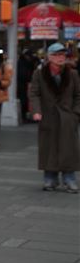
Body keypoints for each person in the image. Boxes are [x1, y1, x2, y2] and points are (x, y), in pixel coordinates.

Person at [29, 43, 80, 193]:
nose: (60, 58)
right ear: (49, 57)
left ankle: (69, 179)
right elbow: (34, 93)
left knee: (68, 148)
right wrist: (36, 111)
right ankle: (50, 178)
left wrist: (75, 114)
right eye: (56, 55)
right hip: (48, 117)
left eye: (62, 55)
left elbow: (78, 95)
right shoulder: (39, 74)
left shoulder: (72, 74)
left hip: (67, 118)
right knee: (48, 148)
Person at [17, 49, 37, 123]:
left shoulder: (24, 63)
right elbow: (24, 74)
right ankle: (24, 116)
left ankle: (24, 116)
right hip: (22, 84)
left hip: (24, 84)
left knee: (25, 100)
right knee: (24, 100)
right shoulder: (23, 64)